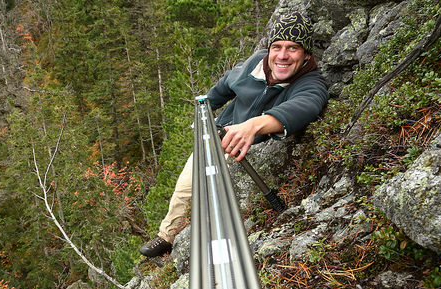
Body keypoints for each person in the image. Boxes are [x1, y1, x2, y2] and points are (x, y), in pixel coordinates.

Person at [140, 11, 329, 257]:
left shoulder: (310, 82)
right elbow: (225, 84)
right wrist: (205, 108)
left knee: (217, 201)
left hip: (253, 151)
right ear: (269, 49)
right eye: (277, 47)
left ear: (306, 55)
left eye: (292, 48)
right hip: (220, 135)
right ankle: (167, 236)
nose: (282, 55)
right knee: (186, 186)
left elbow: (305, 106)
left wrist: (254, 126)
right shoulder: (256, 63)